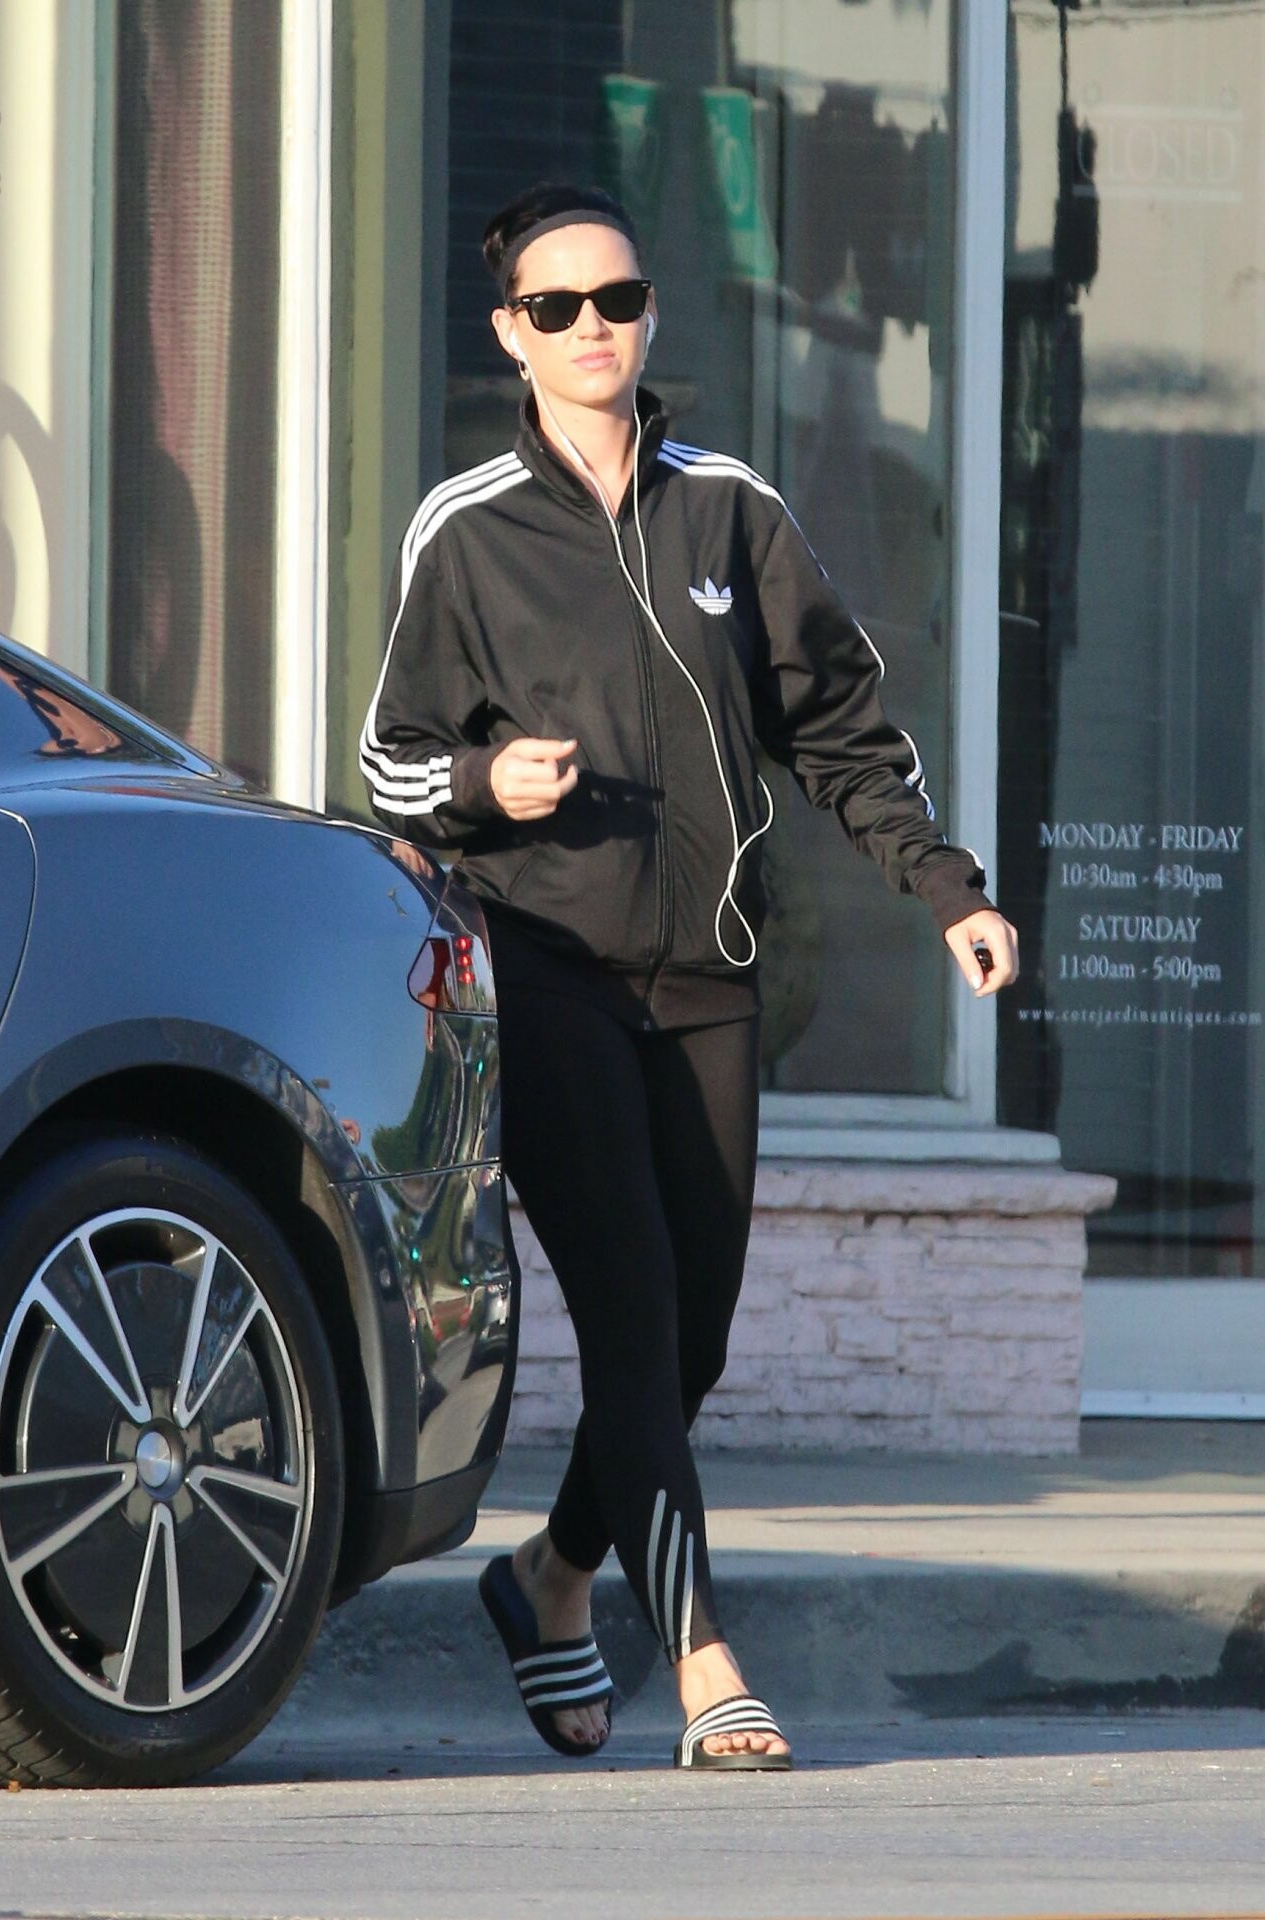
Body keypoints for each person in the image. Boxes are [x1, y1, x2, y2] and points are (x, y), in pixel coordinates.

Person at [359, 182, 1019, 1771]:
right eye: (556, 307)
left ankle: (549, 1577)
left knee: (695, 1335)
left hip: (708, 976)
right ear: (510, 333)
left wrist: (945, 889)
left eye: (617, 300)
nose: (593, 328)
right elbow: (387, 762)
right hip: (549, 967)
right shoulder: (466, 530)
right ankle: (704, 1653)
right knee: (635, 1312)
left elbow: (841, 734)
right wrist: (485, 782)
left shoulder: (730, 513)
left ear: (648, 316)